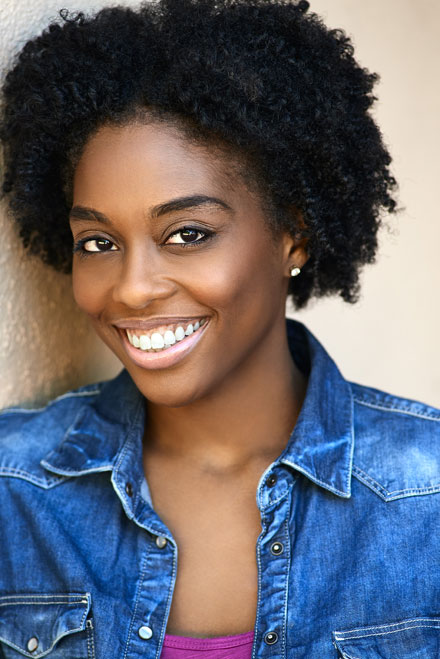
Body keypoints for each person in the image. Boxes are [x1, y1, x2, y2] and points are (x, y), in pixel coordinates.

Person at [0, 0, 439, 657]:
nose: (133, 287)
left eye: (188, 234)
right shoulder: (15, 495)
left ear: (295, 233)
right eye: (97, 242)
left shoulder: (426, 500)